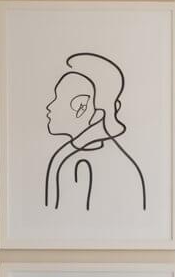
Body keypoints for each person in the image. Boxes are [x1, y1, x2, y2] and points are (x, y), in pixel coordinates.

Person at [44, 52, 146, 212]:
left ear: (81, 106)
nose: (49, 106)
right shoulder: (77, 155)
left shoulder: (80, 162)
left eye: (57, 98)